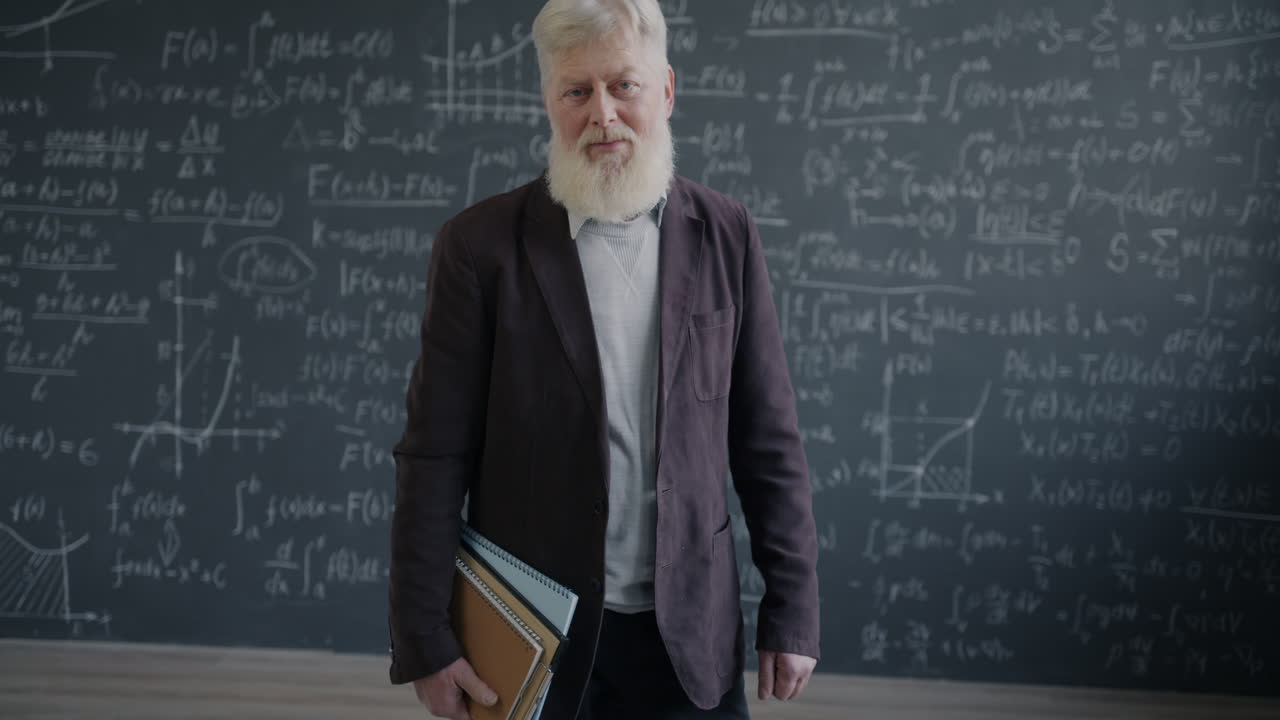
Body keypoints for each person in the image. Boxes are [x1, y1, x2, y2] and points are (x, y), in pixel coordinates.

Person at [387, 1, 820, 717]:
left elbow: (768, 441)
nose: (604, 114)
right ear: (549, 102)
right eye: (577, 91)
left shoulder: (727, 234)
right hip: (532, 633)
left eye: (625, 86)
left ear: (668, 90)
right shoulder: (478, 247)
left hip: (691, 633)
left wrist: (793, 610)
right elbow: (433, 455)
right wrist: (427, 638)